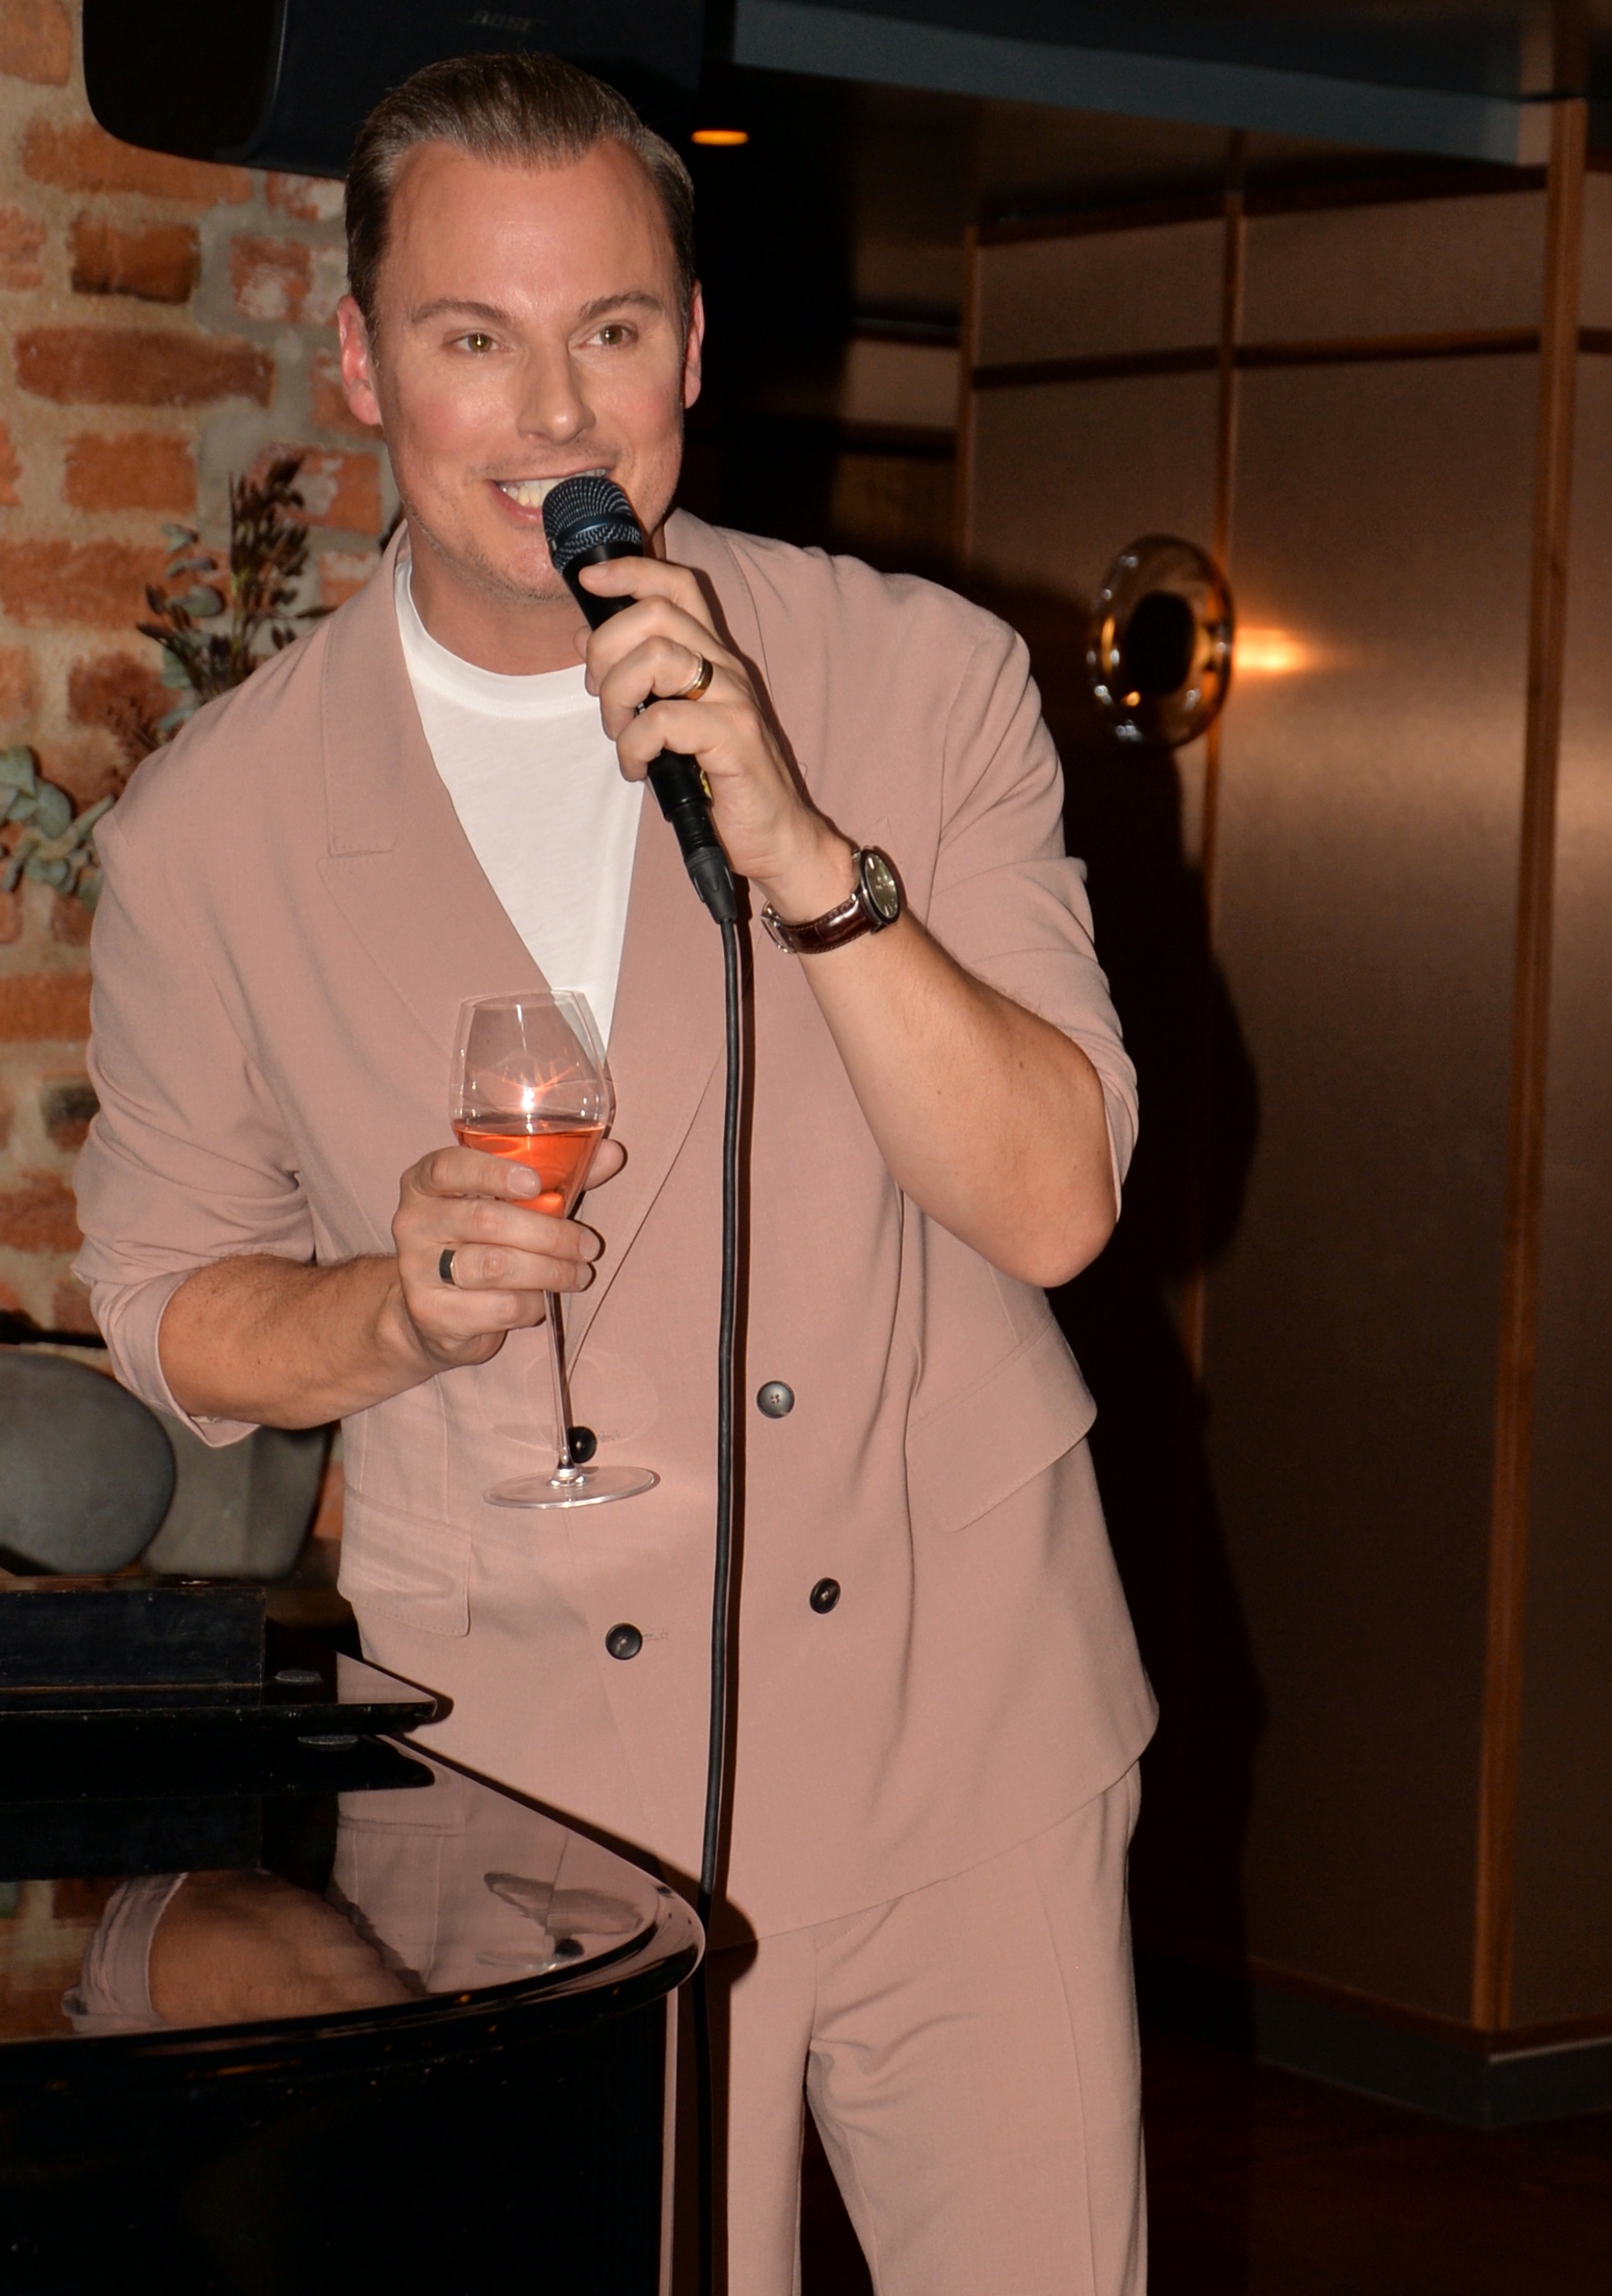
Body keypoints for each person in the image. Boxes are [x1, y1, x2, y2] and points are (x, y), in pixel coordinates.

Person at [73, 51, 1155, 2296]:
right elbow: (173, 1312)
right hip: (543, 1799)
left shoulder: (916, 677)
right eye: (473, 337)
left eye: (611, 330)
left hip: (963, 1735)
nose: (552, 411)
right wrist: (388, 1309)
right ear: (363, 358)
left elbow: (1054, 1202)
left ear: (690, 343)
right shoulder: (211, 830)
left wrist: (807, 860)